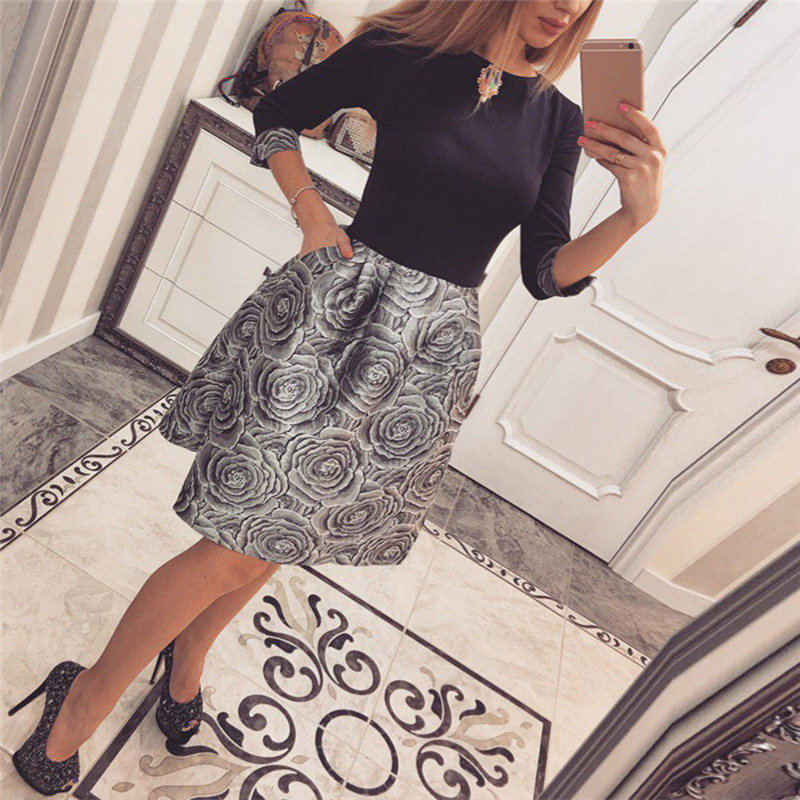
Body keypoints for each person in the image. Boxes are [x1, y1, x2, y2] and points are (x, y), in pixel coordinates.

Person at [8, 0, 665, 794]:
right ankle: (82, 696)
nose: (567, 5)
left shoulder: (558, 120)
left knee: (285, 532)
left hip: (426, 357)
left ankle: (186, 662)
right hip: (338, 317)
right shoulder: (403, 50)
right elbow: (277, 114)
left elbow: (544, 271)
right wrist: (310, 211)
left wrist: (633, 216)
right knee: (236, 542)